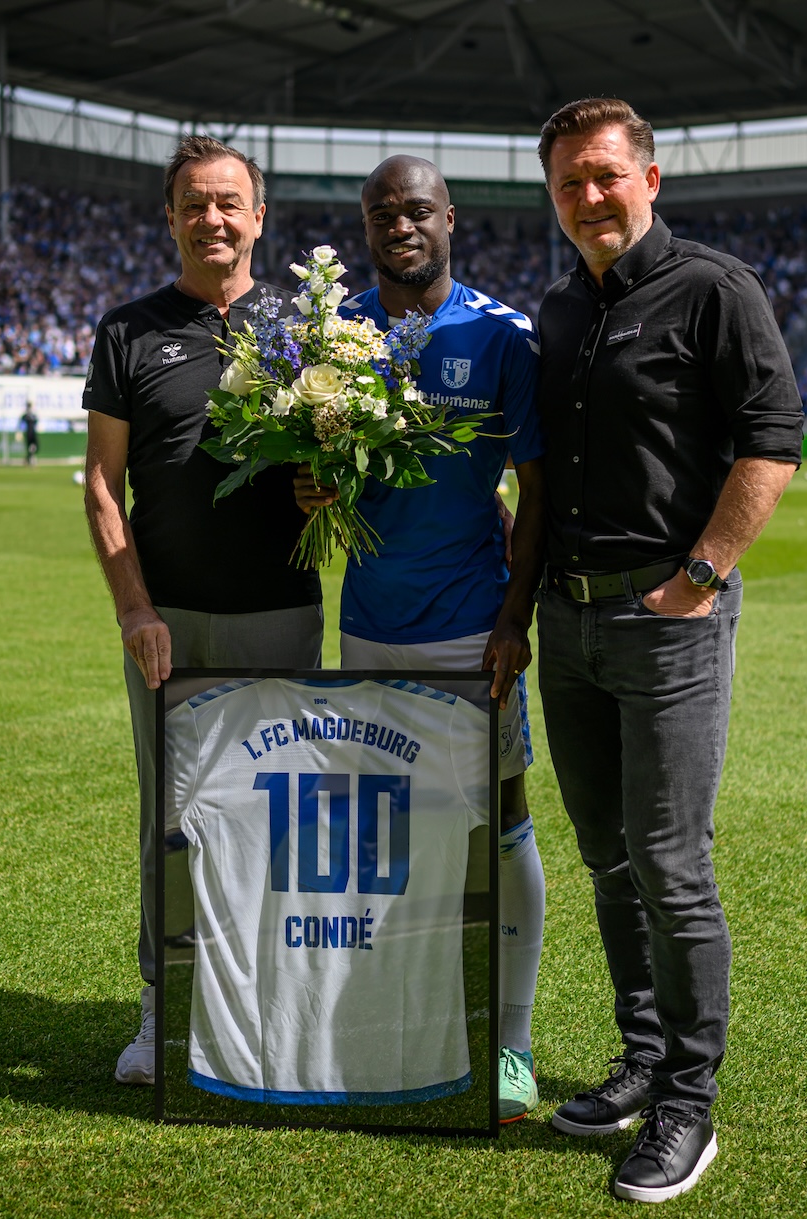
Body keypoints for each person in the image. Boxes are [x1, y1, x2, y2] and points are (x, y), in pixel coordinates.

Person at [531, 98, 802, 1203]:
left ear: (649, 178)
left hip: (668, 619)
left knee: (671, 863)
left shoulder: (715, 289)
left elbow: (771, 440)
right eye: (568, 185)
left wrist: (700, 578)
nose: (588, 198)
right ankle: (642, 1056)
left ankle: (690, 1099)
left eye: (604, 175)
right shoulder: (556, 311)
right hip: (568, 618)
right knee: (605, 855)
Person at [293, 155, 550, 1124]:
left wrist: (514, 616)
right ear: (363, 228)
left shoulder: (499, 335)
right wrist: (314, 486)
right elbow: (322, 465)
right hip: (367, 626)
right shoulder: (335, 332)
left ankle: (513, 1041)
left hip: (467, 626)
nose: (398, 225)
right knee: (384, 836)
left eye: (415, 211)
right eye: (379, 215)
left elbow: (538, 489)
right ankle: (394, 1018)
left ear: (451, 217)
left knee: (502, 818)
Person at [82, 134, 323, 1085]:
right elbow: (102, 488)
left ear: (259, 217)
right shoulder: (128, 330)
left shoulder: (309, 328)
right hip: (168, 625)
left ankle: (276, 1003)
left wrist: (326, 489)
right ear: (172, 218)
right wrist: (134, 610)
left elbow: (342, 472)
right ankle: (162, 1003)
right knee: (171, 818)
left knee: (278, 815)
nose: (212, 219)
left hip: (284, 616)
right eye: (194, 203)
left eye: (230, 202)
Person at [20, 398, 41, 467]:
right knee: (30, 447)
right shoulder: (26, 415)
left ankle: (29, 458)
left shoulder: (33, 414)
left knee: (35, 447)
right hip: (29, 433)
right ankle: (30, 459)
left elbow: (36, 422)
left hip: (33, 433)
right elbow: (21, 424)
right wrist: (19, 432)